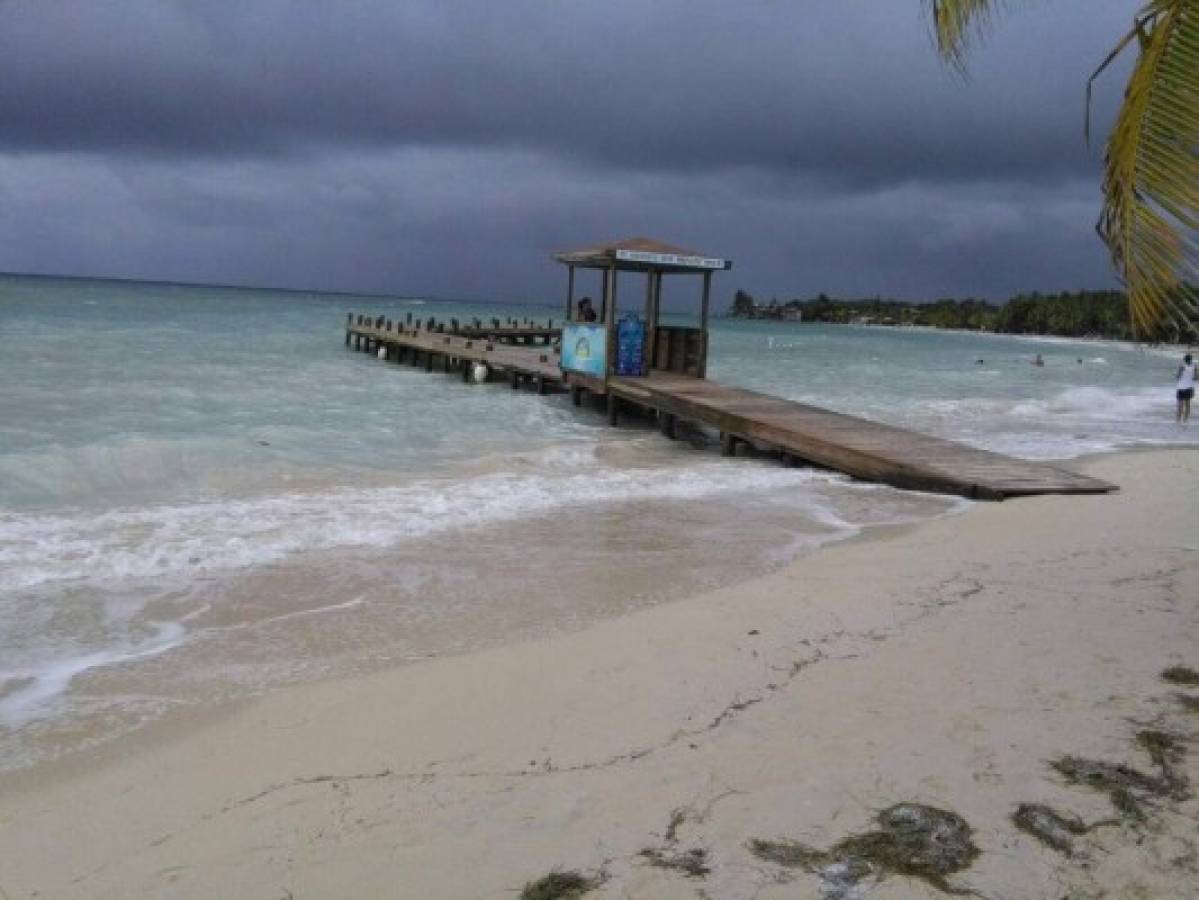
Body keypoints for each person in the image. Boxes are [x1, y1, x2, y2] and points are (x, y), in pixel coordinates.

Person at [1176, 353, 1195, 424]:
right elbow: (1195, 377)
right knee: (1187, 405)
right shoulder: (1194, 366)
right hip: (1189, 387)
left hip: (1181, 388)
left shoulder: (1182, 366)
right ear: (1191, 360)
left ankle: (1178, 421)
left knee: (1180, 406)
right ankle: (1185, 421)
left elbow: (1178, 376)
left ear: (1184, 360)